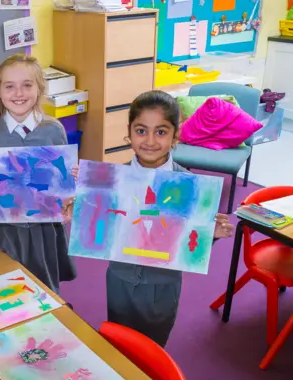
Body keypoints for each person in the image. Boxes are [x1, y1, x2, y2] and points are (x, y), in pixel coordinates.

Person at [75, 90, 234, 346]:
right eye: (141, 130)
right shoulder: (112, 179)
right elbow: (99, 231)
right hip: (120, 279)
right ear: (129, 132)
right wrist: (82, 212)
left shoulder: (191, 187)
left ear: (175, 136)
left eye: (160, 132)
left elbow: (189, 245)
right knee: (119, 343)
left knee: (153, 347)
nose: (149, 140)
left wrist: (209, 233)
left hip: (163, 286)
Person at [0, 54, 77, 293]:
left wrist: (74, 181)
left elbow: (65, 181)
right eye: (9, 86)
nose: (18, 93)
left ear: (39, 88)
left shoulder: (53, 130)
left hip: (45, 228)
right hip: (8, 227)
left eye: (27, 85)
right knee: (11, 282)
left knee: (45, 286)